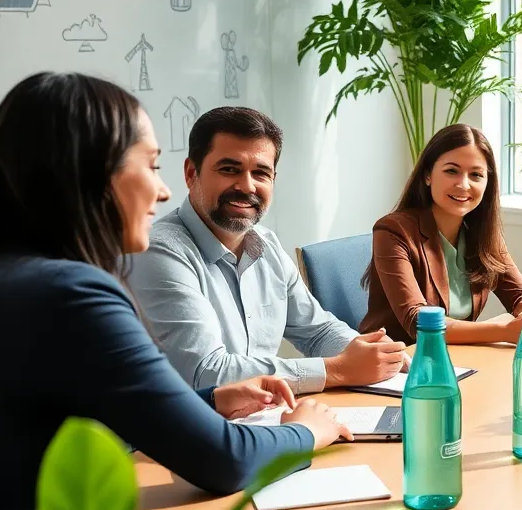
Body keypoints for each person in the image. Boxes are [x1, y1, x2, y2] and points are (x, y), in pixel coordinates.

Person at [0, 73, 354, 510]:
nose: (162, 191)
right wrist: (308, 431)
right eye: (151, 165)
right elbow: (222, 462)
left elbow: (54, 420)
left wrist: (207, 401)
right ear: (92, 174)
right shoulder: (71, 292)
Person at [128, 107, 405, 394]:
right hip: (193, 431)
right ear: (190, 173)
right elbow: (205, 374)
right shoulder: (160, 252)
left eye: (260, 173)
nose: (246, 185)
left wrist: (378, 355)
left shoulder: (266, 244)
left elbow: (318, 330)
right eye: (229, 169)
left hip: (261, 417)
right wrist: (335, 370)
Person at [362, 123, 522, 345]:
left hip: (458, 357)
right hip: (398, 363)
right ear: (427, 175)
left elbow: (520, 294)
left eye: (476, 175)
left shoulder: (481, 234)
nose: (463, 184)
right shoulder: (393, 231)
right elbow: (419, 322)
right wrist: (503, 331)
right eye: (452, 171)